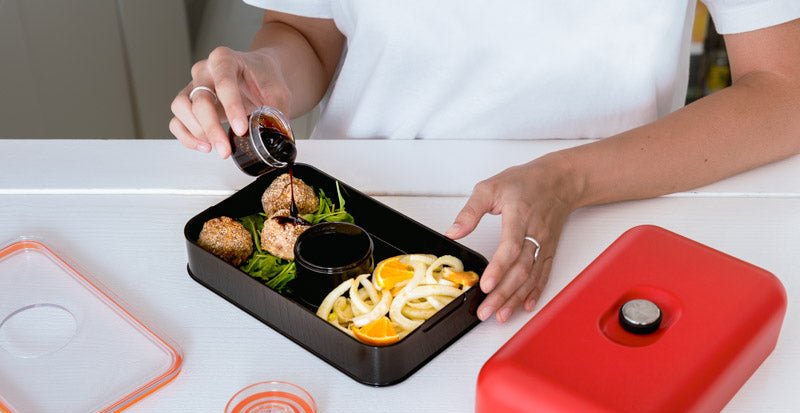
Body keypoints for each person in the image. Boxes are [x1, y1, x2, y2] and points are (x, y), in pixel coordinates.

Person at [170, 1, 800, 323]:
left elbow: (785, 90)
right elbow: (305, 31)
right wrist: (264, 75)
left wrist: (568, 179)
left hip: (605, 219)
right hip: (359, 213)